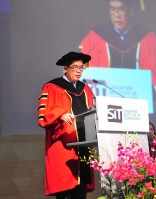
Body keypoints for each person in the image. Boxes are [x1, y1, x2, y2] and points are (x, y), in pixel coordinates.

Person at [79, 0, 156, 101]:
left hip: (138, 102)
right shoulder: (96, 37)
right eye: (112, 9)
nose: (116, 15)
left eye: (121, 9)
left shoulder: (147, 38)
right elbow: (86, 73)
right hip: (105, 103)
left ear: (131, 12)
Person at [37, 52, 95, 199]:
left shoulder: (86, 89)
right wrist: (60, 113)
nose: (78, 71)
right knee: (64, 187)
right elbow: (43, 116)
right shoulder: (52, 87)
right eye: (75, 67)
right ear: (65, 68)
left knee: (81, 189)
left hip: (84, 145)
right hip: (63, 146)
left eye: (81, 68)